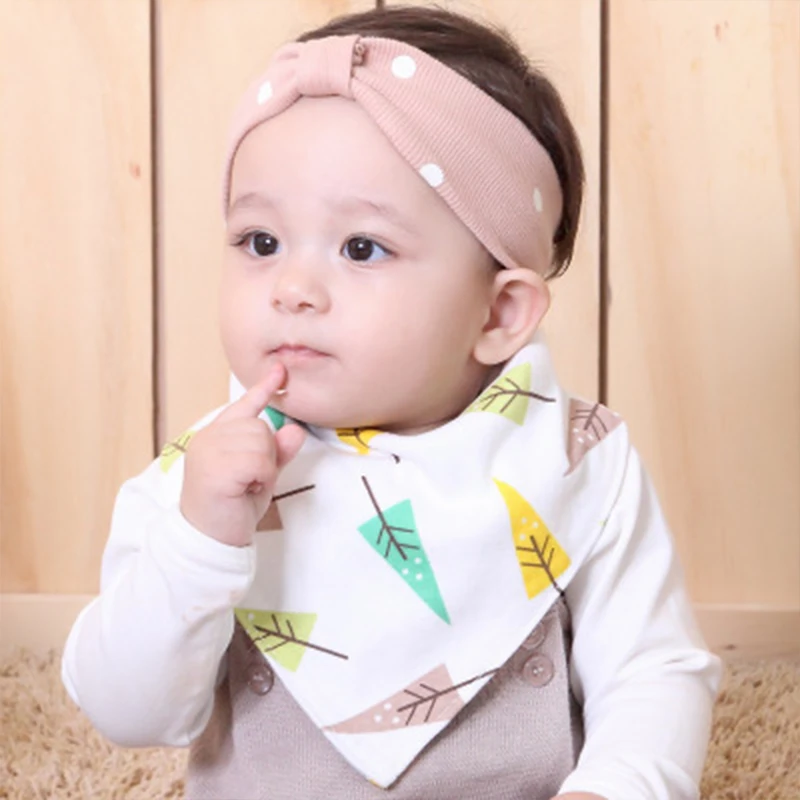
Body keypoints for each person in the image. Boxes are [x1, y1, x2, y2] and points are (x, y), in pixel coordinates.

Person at [62, 6, 722, 799]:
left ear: (498, 313)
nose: (292, 288)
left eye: (361, 248)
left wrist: (615, 787)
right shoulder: (203, 477)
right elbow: (125, 712)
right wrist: (200, 543)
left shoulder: (576, 461)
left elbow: (654, 670)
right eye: (261, 242)